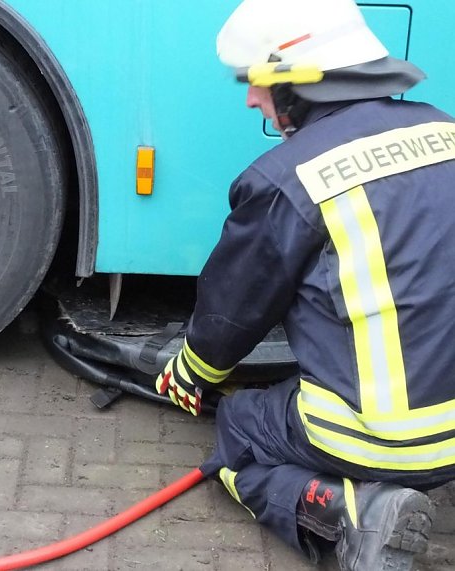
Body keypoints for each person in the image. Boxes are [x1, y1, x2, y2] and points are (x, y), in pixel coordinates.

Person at [154, 0, 455, 569]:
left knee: (239, 430)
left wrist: (191, 372)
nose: (251, 98)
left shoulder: (288, 178)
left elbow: (234, 310)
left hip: (388, 439)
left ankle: (348, 515)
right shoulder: (444, 130)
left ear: (300, 82)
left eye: (259, 82)